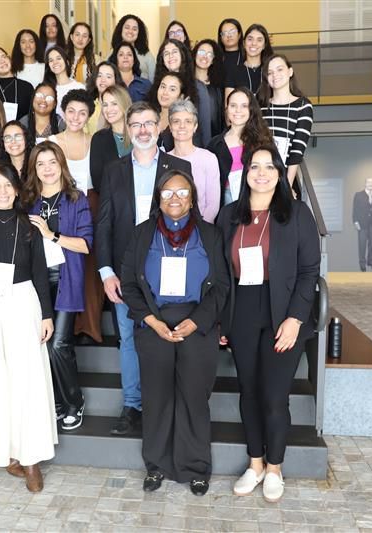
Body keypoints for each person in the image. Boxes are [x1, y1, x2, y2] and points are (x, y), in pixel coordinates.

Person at [216, 145, 320, 503]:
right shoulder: (229, 215)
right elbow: (221, 273)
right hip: (242, 310)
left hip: (283, 311)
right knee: (248, 391)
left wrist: (295, 318)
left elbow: (309, 271)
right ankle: (255, 463)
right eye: (254, 167)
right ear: (245, 174)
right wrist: (222, 320)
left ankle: (275, 467)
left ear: (279, 173)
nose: (261, 173)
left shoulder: (297, 214)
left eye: (269, 167)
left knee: (275, 396)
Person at [120, 169, 229, 496]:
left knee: (193, 398)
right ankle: (156, 465)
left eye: (182, 192)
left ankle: (196, 467)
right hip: (154, 323)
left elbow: (222, 286)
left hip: (197, 323)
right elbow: (129, 285)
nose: (175, 198)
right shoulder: (141, 234)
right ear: (158, 199)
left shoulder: (211, 235)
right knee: (156, 398)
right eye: (167, 193)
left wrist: (197, 321)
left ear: (192, 198)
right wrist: (152, 322)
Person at [95, 101, 191, 435]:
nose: (143, 130)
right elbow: (104, 224)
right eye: (136, 124)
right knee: (128, 338)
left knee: (167, 336)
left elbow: (190, 218)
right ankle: (132, 405)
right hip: (125, 271)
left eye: (149, 123)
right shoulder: (113, 170)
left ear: (159, 126)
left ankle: (164, 404)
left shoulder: (179, 166)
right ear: (127, 129)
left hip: (169, 268)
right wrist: (106, 272)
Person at [0, 163, 56, 493]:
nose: (2, 191)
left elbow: (40, 271)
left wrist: (46, 315)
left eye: (8, 185)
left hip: (23, 300)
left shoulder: (30, 224)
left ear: (17, 189)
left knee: (26, 377)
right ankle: (4, 451)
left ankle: (30, 457)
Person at [22, 142, 93, 430]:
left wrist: (51, 235)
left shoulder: (76, 199)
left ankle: (74, 401)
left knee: (59, 344)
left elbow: (85, 245)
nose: (47, 169)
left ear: (61, 164)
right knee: (43, 343)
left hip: (66, 278)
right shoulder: (28, 202)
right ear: (34, 169)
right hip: (36, 282)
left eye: (52, 162)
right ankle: (58, 403)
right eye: (40, 163)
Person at [80, 85, 132, 343]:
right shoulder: (100, 139)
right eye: (105, 104)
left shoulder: (139, 131)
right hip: (113, 213)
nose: (110, 109)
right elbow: (100, 180)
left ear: (124, 104)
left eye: (114, 103)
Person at [207, 87, 273, 206]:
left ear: (251, 109)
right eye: (233, 105)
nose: (238, 110)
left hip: (258, 196)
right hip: (226, 201)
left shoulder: (263, 140)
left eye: (244, 106)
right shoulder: (214, 144)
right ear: (227, 109)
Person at [259, 54, 314, 192]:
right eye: (270, 72)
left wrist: (287, 186)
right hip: (261, 176)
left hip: (286, 177)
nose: (275, 75)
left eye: (279, 69)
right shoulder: (260, 105)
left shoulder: (303, 106)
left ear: (290, 72)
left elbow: (297, 150)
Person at [167, 99, 221, 223]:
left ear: (195, 126)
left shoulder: (208, 159)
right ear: (170, 126)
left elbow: (212, 205)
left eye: (188, 121)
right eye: (176, 121)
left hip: (202, 227)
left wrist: (198, 229)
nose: (182, 126)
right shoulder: (163, 160)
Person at [154, 39, 210, 147]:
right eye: (166, 53)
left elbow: (205, 128)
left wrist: (205, 152)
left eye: (174, 52)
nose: (170, 56)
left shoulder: (198, 88)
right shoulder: (156, 88)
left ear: (182, 56)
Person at [48, 89, 94, 194]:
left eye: (82, 113)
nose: (75, 117)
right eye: (71, 111)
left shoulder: (96, 142)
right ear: (64, 113)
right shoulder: (50, 143)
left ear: (88, 118)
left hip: (90, 200)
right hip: (59, 200)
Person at [147, 71, 195, 151]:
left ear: (181, 96)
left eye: (172, 89)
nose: (165, 92)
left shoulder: (185, 123)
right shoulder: (149, 118)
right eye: (163, 87)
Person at [225, 24, 273, 101]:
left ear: (264, 45)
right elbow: (228, 103)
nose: (254, 43)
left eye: (259, 40)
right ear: (244, 43)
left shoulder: (270, 70)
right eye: (250, 39)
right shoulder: (233, 71)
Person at [193, 39, 226, 138]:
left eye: (209, 54)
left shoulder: (218, 87)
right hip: (192, 139)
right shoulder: (186, 84)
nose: (205, 56)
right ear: (194, 55)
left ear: (213, 60)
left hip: (215, 138)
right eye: (201, 52)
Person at [44, 47, 85, 120]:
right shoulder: (46, 89)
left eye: (58, 58)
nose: (55, 62)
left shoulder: (79, 87)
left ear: (67, 62)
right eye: (51, 60)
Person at [110, 15, 155, 81]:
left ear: (139, 33)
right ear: (121, 29)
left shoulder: (147, 55)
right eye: (127, 27)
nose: (130, 31)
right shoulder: (112, 52)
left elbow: (154, 81)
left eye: (134, 29)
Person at [85, 61, 125, 133]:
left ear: (116, 81)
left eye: (108, 77)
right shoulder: (87, 105)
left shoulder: (122, 105)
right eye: (99, 76)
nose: (103, 80)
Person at [352, 177, 372, 271]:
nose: (370, 184)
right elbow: (355, 209)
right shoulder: (358, 195)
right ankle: (362, 264)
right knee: (362, 245)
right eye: (368, 182)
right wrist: (355, 221)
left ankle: (371, 262)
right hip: (362, 224)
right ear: (365, 183)